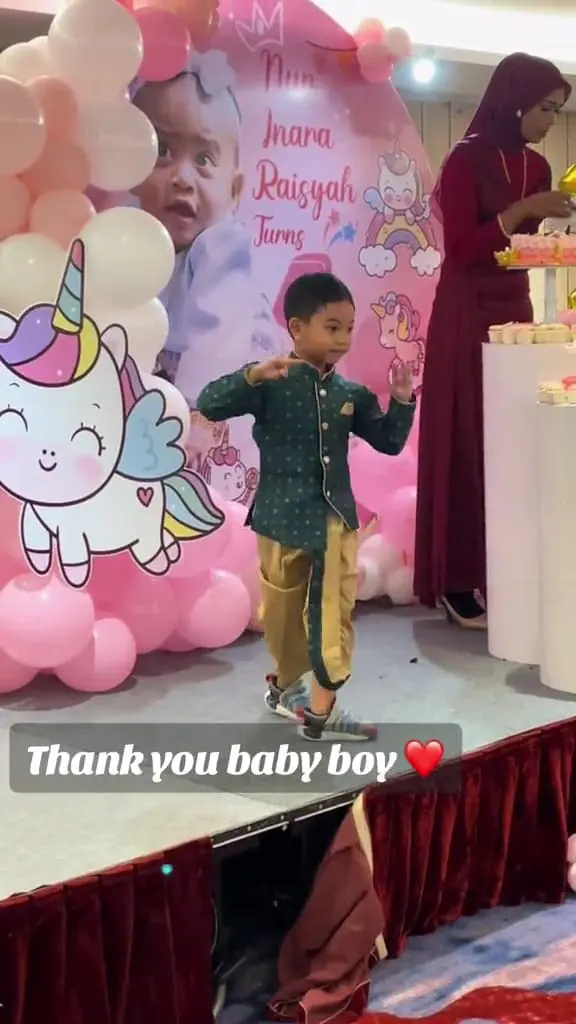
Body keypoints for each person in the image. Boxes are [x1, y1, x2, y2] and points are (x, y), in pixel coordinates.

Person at [197, 273, 416, 741]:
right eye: (331, 327)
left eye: (349, 328)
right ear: (297, 328)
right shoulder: (271, 381)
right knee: (280, 616)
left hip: (334, 520)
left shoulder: (349, 394)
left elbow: (390, 442)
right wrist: (251, 375)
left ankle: (324, 707)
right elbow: (210, 404)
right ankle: (283, 687)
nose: (342, 339)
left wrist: (400, 401)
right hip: (279, 517)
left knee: (332, 613)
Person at [414, 53, 572, 629]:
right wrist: (525, 209)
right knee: (467, 436)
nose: (552, 120)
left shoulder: (537, 166)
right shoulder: (464, 161)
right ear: (514, 102)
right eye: (546, 108)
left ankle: (505, 568)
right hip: (465, 309)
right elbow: (462, 249)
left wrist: (548, 222)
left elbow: (518, 249)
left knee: (511, 440)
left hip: (516, 307)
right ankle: (457, 581)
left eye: (559, 110)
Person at [129, 50, 284, 413]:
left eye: (203, 160)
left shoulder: (219, 251)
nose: (182, 178)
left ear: (234, 191)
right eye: (163, 150)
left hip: (220, 396)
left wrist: (189, 413)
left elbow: (219, 344)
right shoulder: (132, 237)